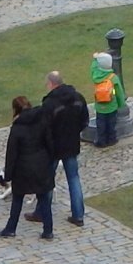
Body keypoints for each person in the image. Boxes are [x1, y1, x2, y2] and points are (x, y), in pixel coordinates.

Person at [0, 94, 54, 239]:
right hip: (41, 166)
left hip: (22, 170)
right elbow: (50, 143)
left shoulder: (17, 129)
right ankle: (48, 230)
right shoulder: (42, 121)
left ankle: (11, 228)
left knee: (17, 200)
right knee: (44, 199)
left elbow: (11, 154)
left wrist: (7, 175)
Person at [40, 70, 90, 227]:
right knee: (74, 179)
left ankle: (42, 212)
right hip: (71, 143)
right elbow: (84, 120)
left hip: (54, 146)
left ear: (51, 84)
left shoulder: (50, 103)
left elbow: (45, 127)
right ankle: (78, 215)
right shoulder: (78, 98)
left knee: (48, 179)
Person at [89, 51, 123, 148]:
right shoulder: (113, 78)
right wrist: (120, 104)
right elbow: (119, 92)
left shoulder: (96, 75)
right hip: (112, 105)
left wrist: (95, 59)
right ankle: (112, 139)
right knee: (111, 123)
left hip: (100, 105)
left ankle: (101, 141)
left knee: (101, 124)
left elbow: (93, 68)